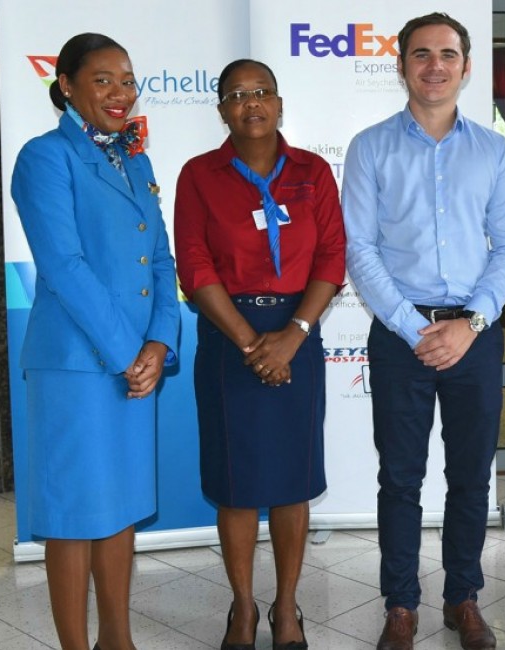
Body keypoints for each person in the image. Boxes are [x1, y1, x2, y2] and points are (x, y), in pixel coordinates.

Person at [341, 13, 505, 650]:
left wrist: (470, 324)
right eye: (422, 54)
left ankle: (463, 597)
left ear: (467, 67)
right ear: (402, 65)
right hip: (401, 336)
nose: (435, 66)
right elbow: (359, 250)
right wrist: (415, 327)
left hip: (474, 336)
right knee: (401, 478)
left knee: (472, 475)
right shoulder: (370, 147)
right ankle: (401, 605)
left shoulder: (494, 150)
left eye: (448, 54)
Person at [9, 32, 180, 650]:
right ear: (67, 86)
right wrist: (129, 351)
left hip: (136, 364)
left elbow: (161, 260)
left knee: (122, 506)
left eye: (128, 80)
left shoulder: (136, 160)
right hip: (77, 367)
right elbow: (63, 264)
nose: (119, 92)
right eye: (103, 79)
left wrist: (160, 344)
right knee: (75, 515)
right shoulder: (44, 157)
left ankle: (118, 639)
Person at [174, 58, 345, 650]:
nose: (252, 103)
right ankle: (243, 607)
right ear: (221, 109)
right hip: (230, 339)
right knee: (238, 483)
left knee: (292, 484)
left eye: (262, 92)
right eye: (238, 94)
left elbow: (331, 259)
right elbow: (194, 267)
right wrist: (251, 343)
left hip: (297, 333)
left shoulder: (314, 172)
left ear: (279, 102)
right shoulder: (199, 175)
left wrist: (292, 335)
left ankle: (288, 607)